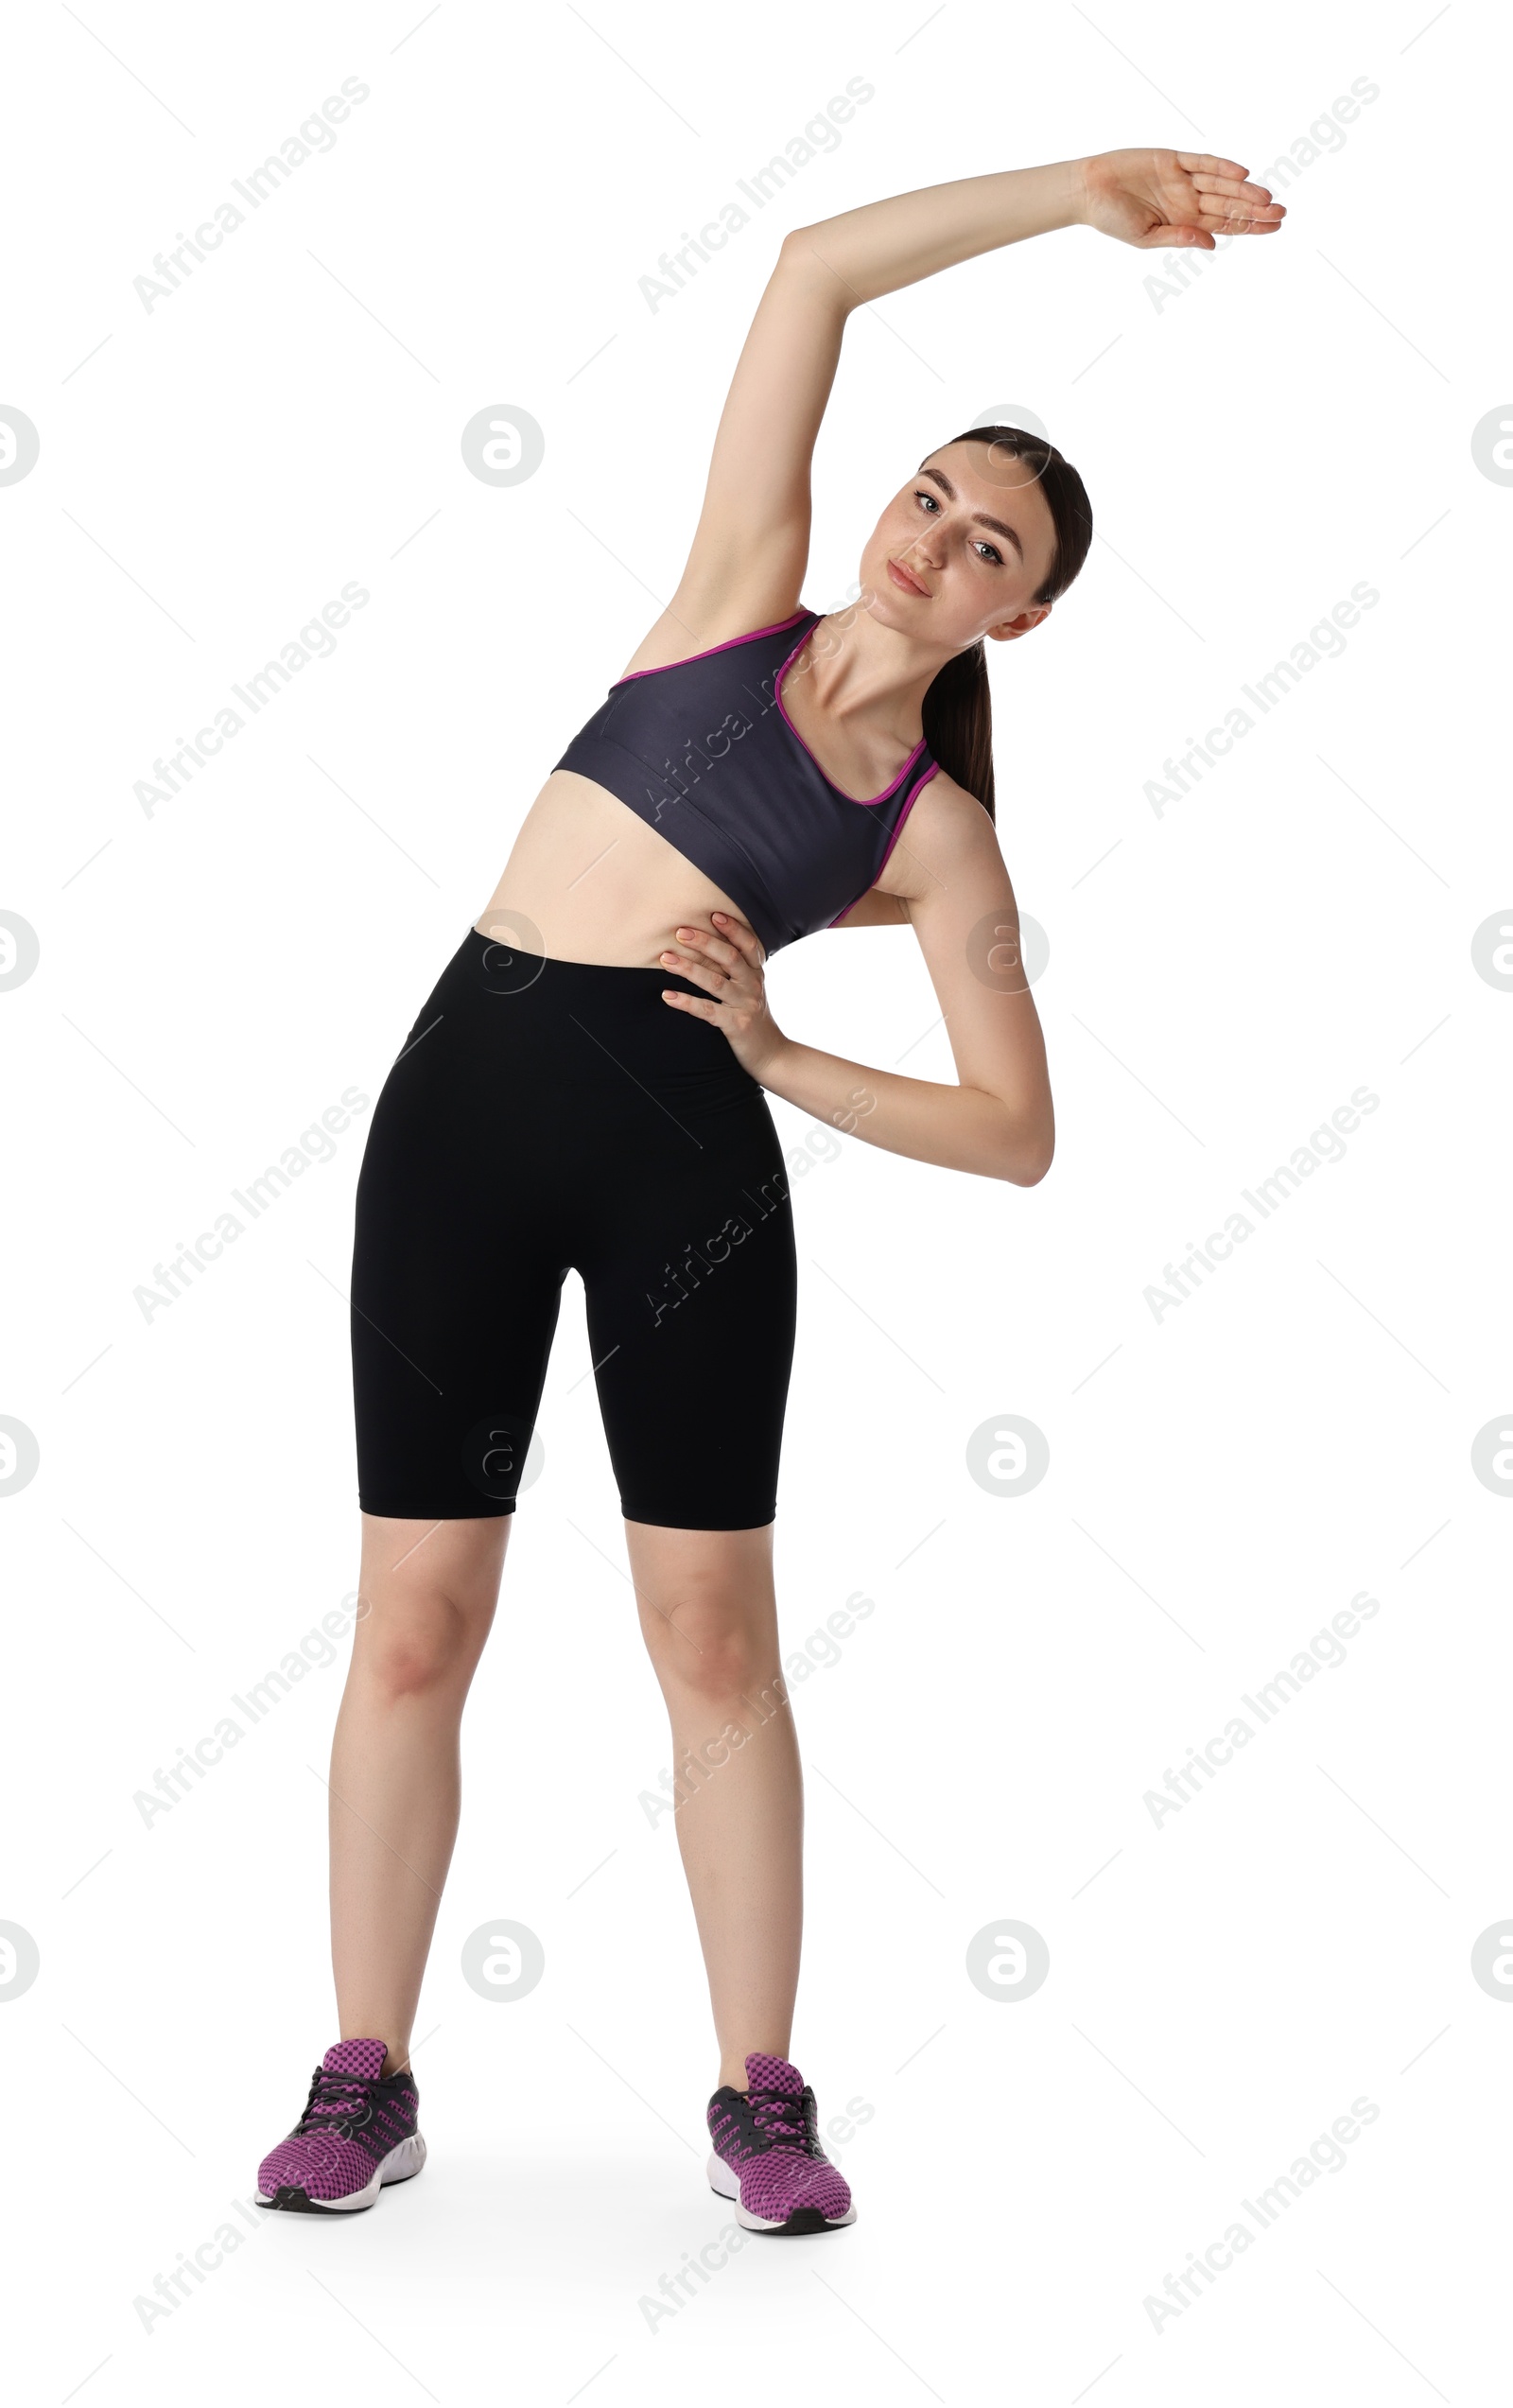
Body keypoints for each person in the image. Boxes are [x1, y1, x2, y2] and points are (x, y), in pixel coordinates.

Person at [254, 147, 1283, 2230]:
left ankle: (760, 2095)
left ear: (1025, 609)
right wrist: (1078, 195)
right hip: (458, 1111)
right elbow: (813, 269)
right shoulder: (736, 591)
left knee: (709, 1635)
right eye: (927, 496)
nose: (931, 542)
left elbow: (1016, 1131)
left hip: (685, 1167)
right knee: (412, 1626)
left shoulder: (936, 841)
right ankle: (361, 2072)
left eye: (985, 543)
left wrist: (789, 1058)